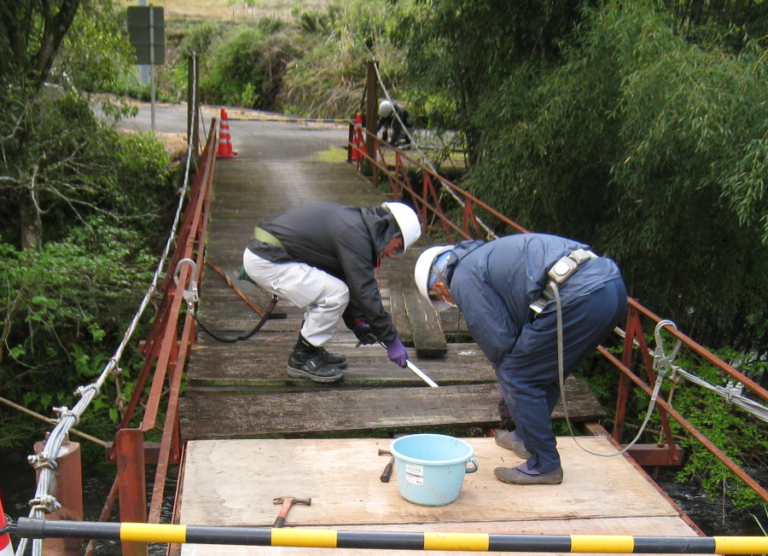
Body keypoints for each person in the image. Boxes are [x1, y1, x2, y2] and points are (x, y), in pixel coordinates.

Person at [414, 233, 627, 485]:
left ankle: (544, 464)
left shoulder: (462, 278)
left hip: (580, 296)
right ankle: (526, 438)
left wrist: (509, 387)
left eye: (444, 299)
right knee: (545, 370)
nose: (451, 301)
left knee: (518, 374)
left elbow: (499, 341)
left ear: (440, 286)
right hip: (610, 288)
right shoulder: (481, 257)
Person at [243, 201, 421, 383]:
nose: (391, 254)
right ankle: (302, 357)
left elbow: (345, 277)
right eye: (397, 247)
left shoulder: (357, 226)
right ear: (391, 232)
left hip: (268, 254)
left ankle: (311, 349)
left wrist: (357, 322)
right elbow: (365, 290)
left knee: (328, 287)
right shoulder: (355, 235)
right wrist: (390, 339)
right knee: (335, 293)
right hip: (267, 259)